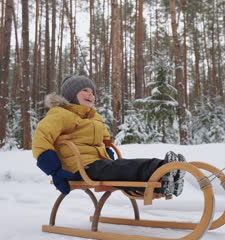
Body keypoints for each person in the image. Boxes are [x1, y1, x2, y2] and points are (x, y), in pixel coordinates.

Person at [32, 75, 186, 197]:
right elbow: (41, 143)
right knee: (122, 167)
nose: (90, 95)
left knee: (121, 167)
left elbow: (105, 142)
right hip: (78, 168)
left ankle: (165, 181)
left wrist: (110, 159)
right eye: (85, 90)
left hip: (97, 165)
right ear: (71, 95)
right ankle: (162, 169)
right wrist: (56, 172)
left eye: (92, 92)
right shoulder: (60, 114)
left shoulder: (95, 118)